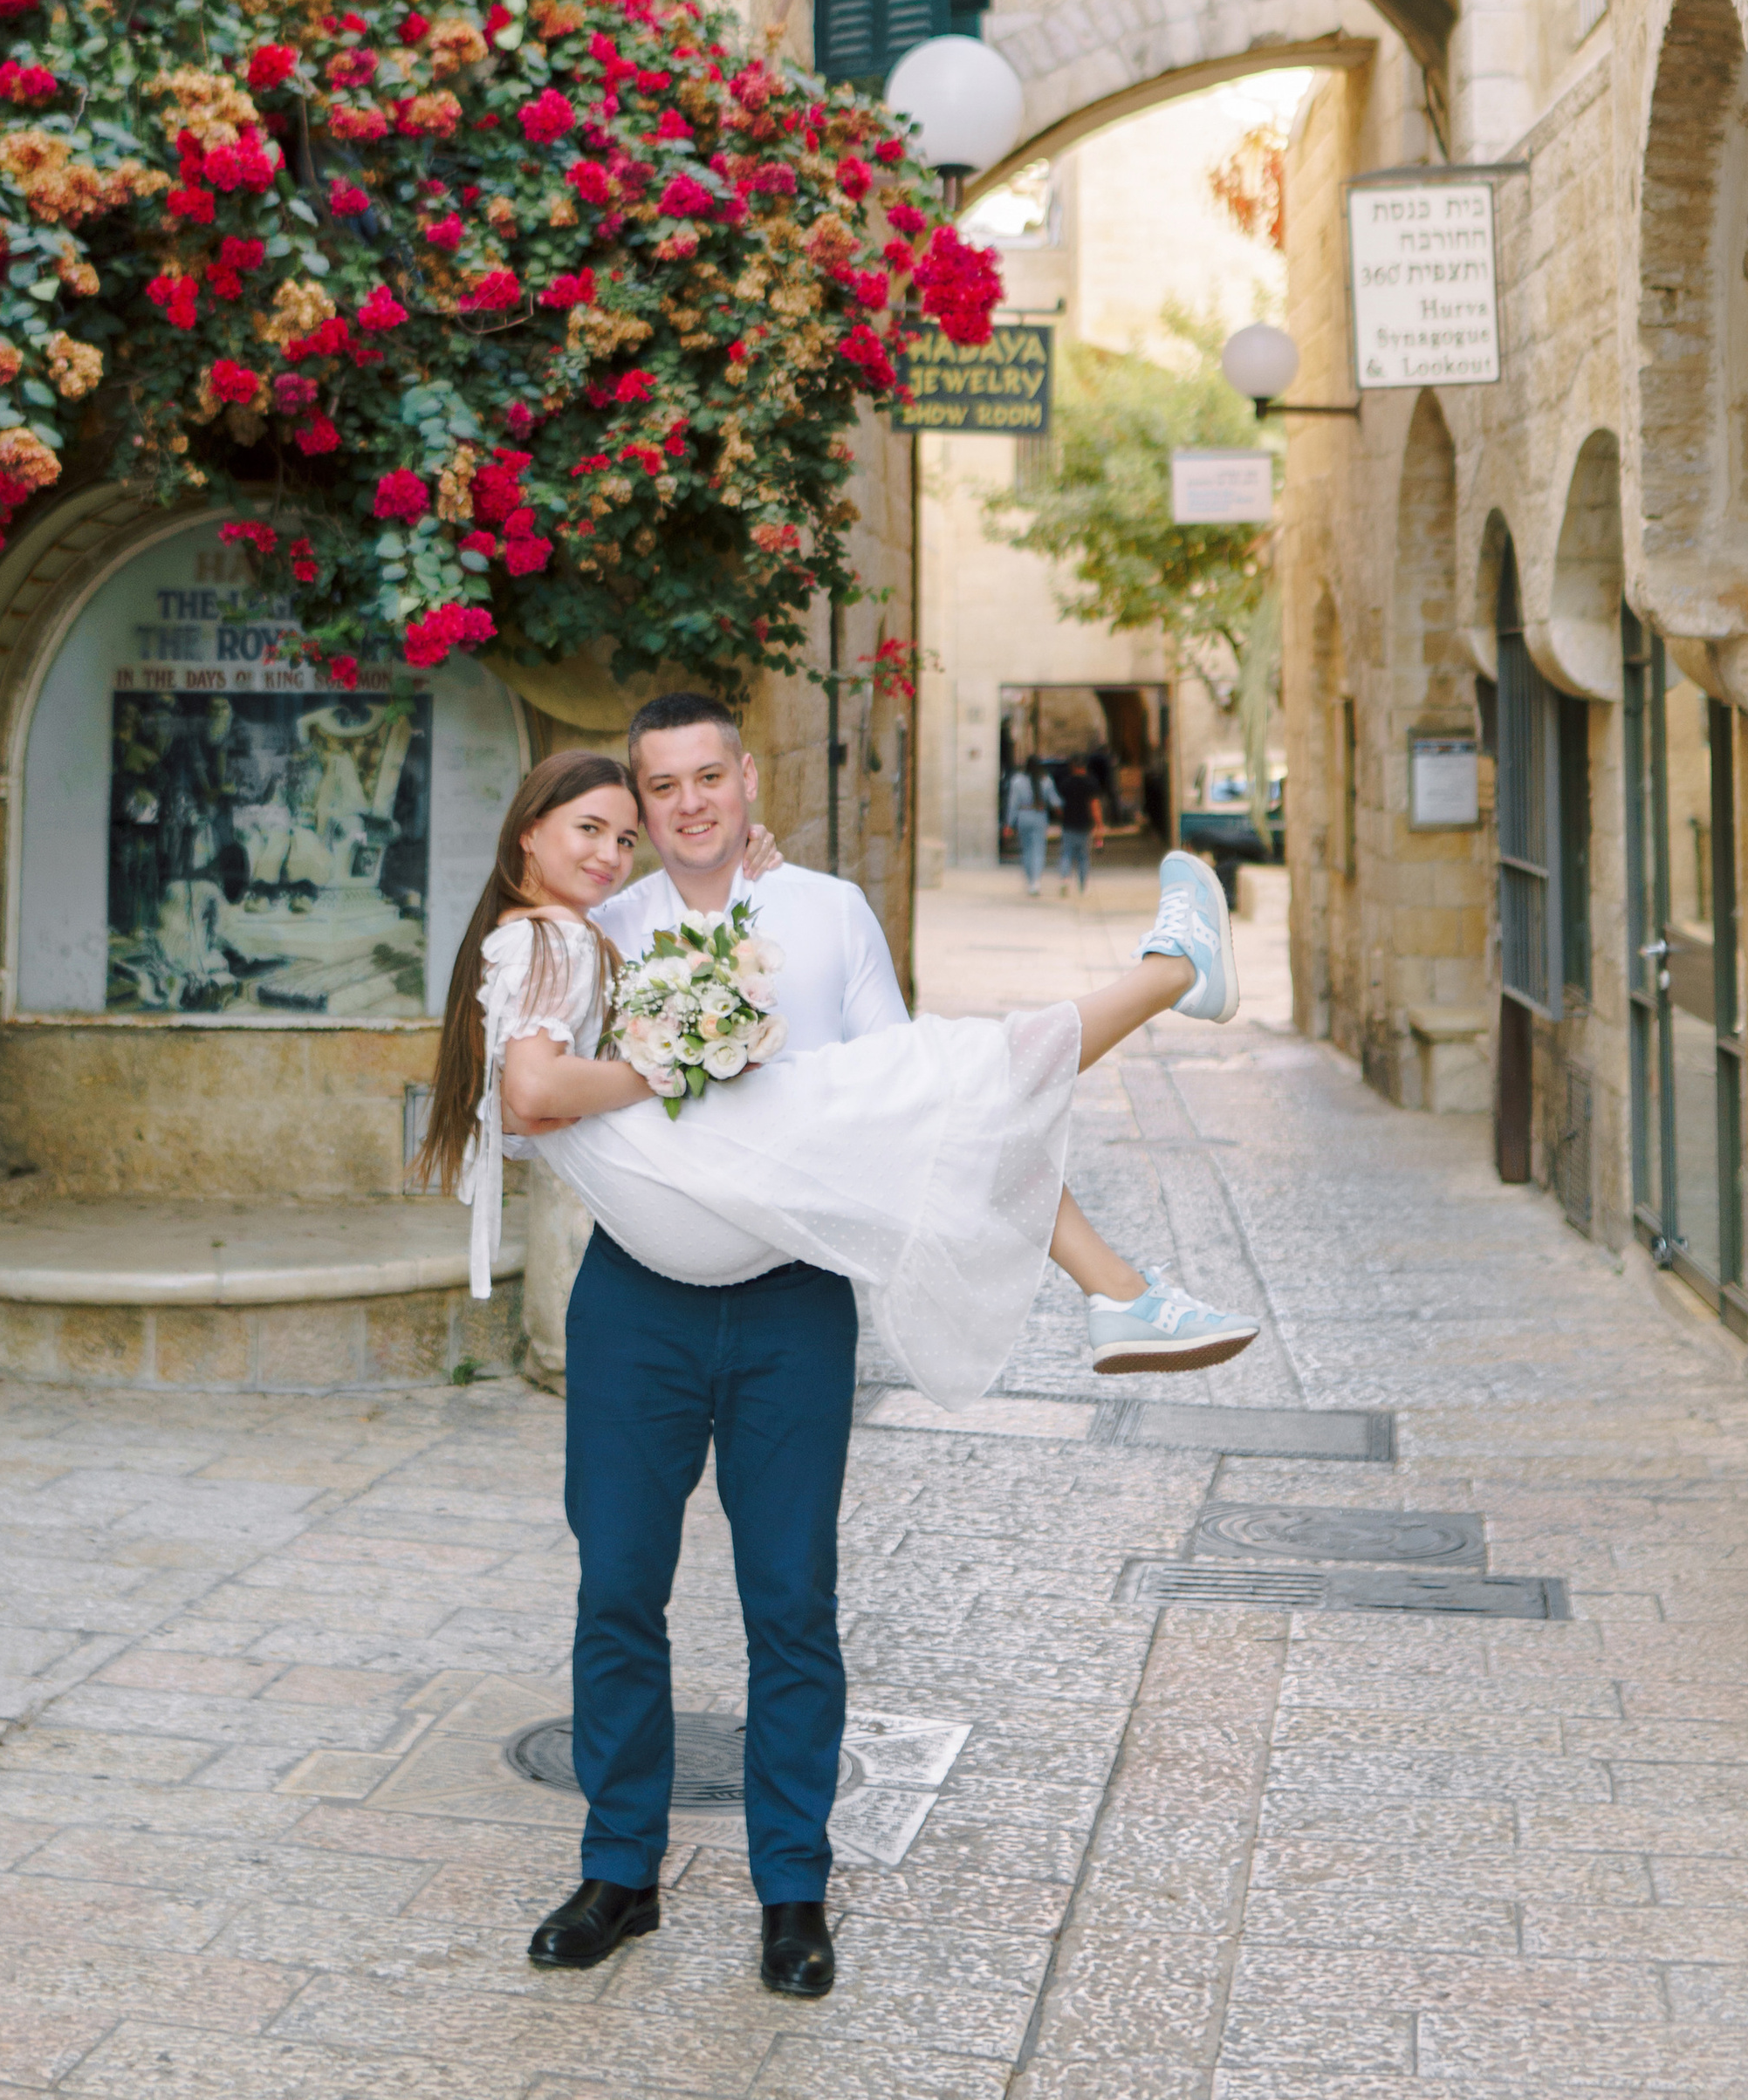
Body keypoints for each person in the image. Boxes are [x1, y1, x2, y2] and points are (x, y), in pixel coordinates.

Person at [415, 700, 1256, 2000]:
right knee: (616, 1594)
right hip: (637, 1309)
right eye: (654, 793)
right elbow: (535, 1079)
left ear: (749, 782)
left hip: (792, 1307)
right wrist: (671, 1054)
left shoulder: (827, 910)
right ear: (616, 816)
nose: (681, 809)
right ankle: (618, 1871)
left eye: (708, 779)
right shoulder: (601, 918)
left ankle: (792, 1891)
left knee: (793, 1604)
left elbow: (915, 1118)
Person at [1049, 751, 1104, 894]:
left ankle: (1065, 880)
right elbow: (1095, 806)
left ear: (1072, 767)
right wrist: (1099, 824)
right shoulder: (1091, 783)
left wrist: (1062, 815)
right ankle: (1083, 886)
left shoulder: (1065, 783)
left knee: (1066, 854)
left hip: (1068, 824)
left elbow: (1059, 806)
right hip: (1085, 825)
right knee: (1083, 857)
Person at [1001, 754, 1054, 892]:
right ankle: (1036, 881)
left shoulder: (1017, 780)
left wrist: (1009, 823)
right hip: (1039, 815)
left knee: (1026, 849)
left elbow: (1013, 803)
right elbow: (1054, 800)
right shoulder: (1046, 780)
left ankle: (1030, 880)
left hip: (1023, 815)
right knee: (1039, 849)